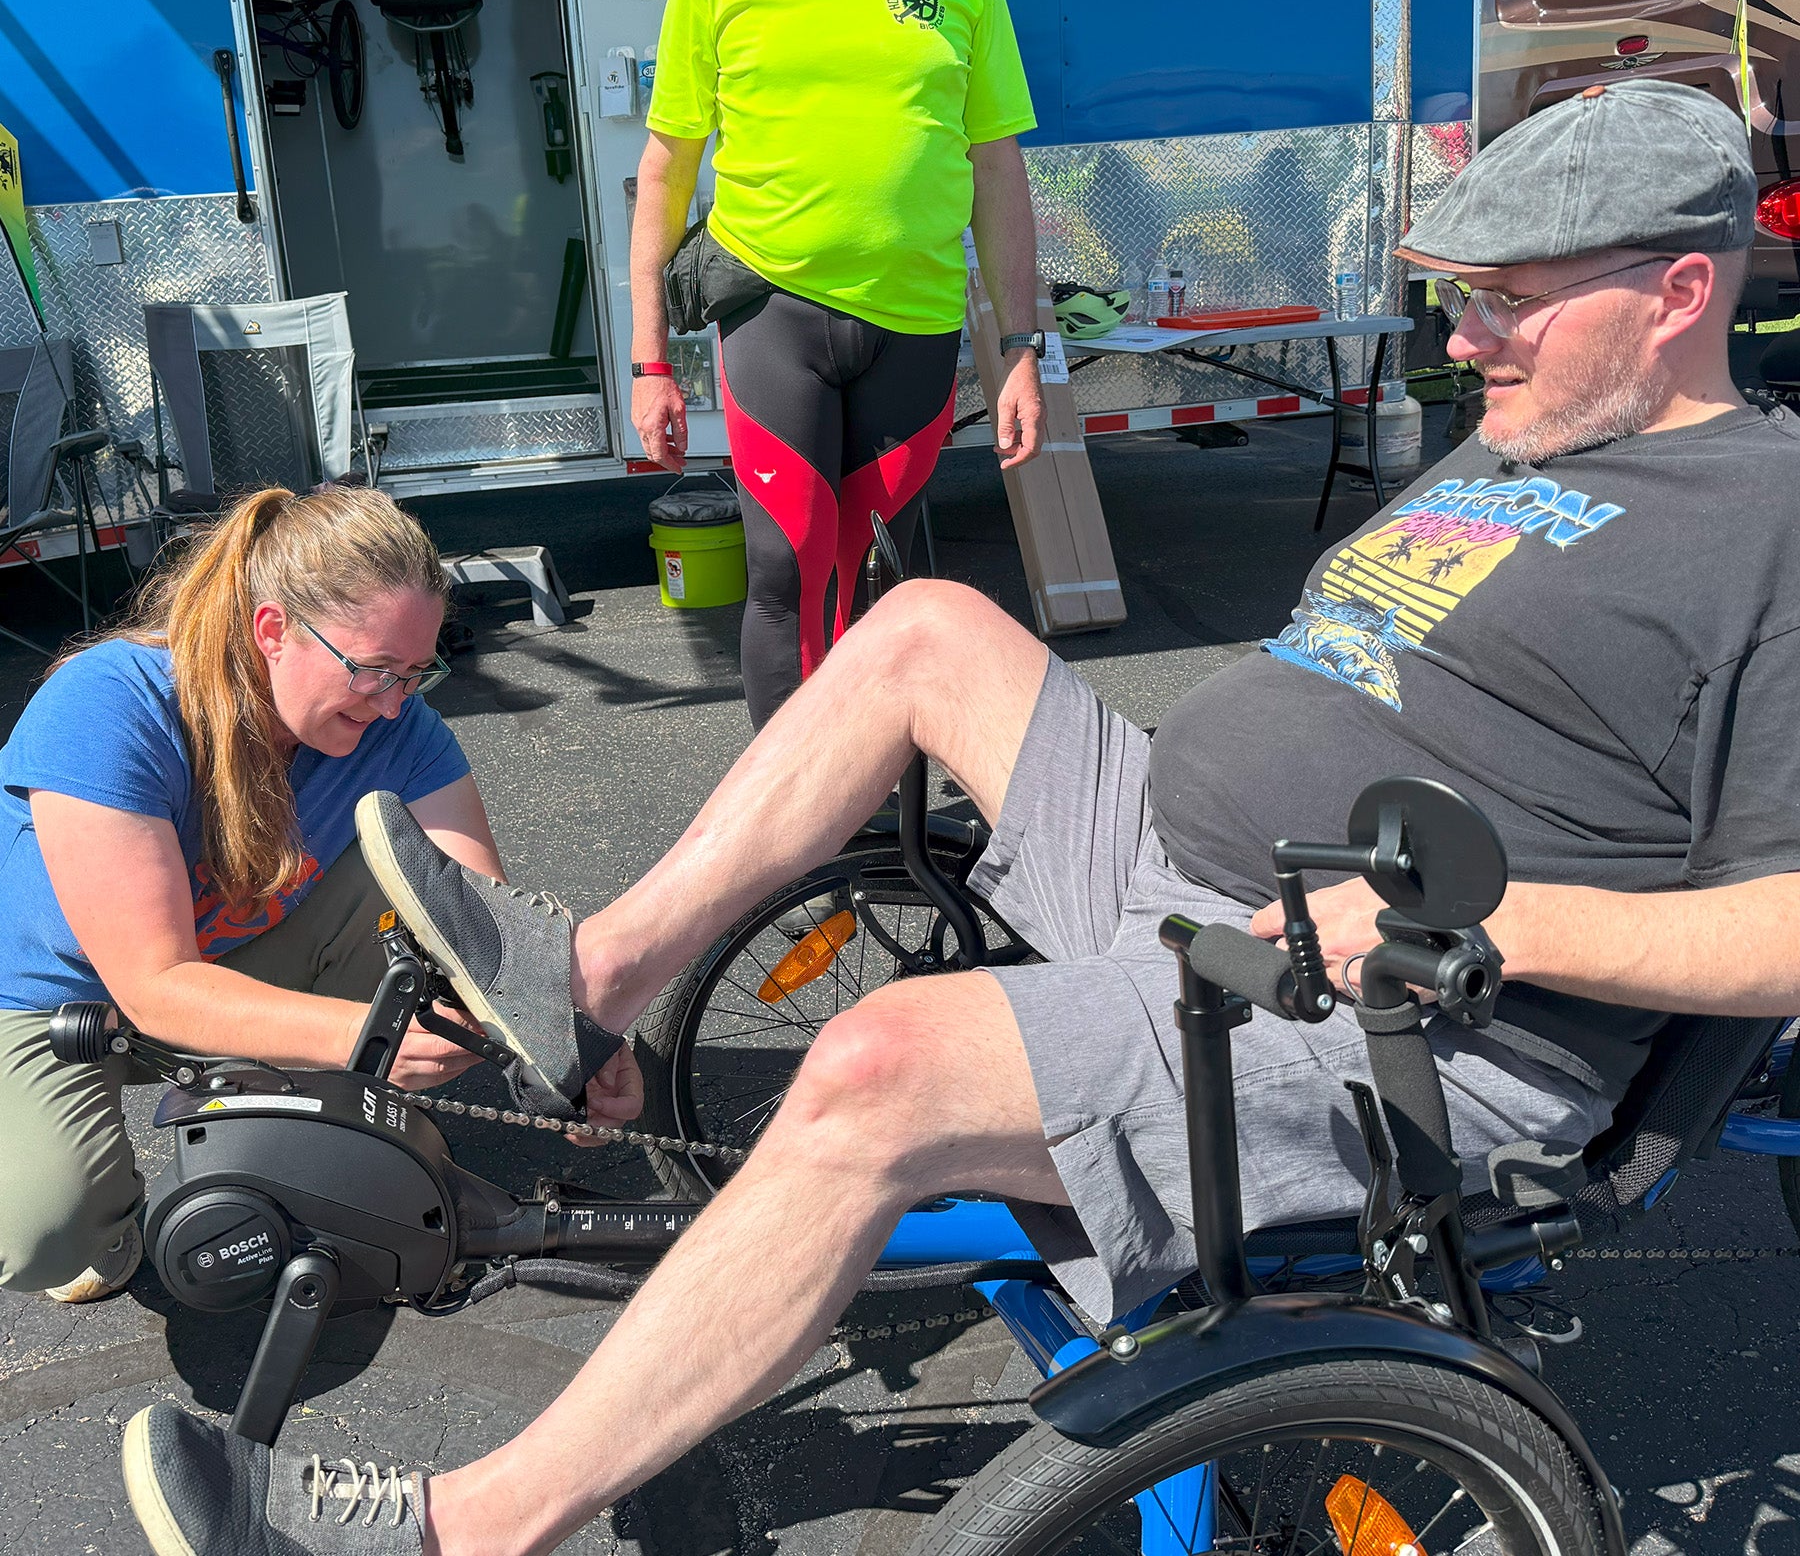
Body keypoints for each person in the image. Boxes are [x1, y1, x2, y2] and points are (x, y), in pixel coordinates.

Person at [125, 80, 1800, 1556]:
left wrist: (1476, 931)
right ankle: (600, 979)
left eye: (1506, 302)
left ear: (1674, 292)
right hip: (1197, 872)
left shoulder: (1769, 528)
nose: (1460, 337)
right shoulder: (1510, 443)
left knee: (881, 1064)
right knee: (926, 632)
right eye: (1458, 298)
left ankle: (466, 1531)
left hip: (1393, 1010)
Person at [0, 487, 502, 1304]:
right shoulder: (111, 704)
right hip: (60, 1000)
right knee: (39, 1236)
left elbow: (482, 921)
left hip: (233, 959)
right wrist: (362, 1034)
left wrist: (571, 1040)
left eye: (415, 673)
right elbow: (156, 983)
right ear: (274, 631)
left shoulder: (400, 727)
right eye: (373, 671)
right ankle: (113, 1205)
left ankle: (300, 1127)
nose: (393, 704)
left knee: (412, 882)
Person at [631, 0, 1046, 727]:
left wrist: (1026, 348)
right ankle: (801, 841)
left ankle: (877, 800)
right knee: (786, 567)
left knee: (886, 574)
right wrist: (653, 361)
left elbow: (997, 168)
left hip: (914, 321)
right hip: (772, 312)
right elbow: (665, 167)